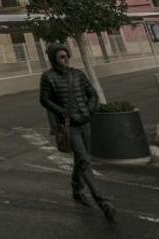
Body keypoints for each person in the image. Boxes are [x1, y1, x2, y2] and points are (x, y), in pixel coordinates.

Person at [40, 43, 116, 221]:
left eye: (66, 56)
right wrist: (61, 112)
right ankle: (103, 202)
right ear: (53, 59)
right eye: (61, 57)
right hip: (69, 126)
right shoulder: (48, 77)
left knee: (81, 160)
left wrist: (89, 109)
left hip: (85, 123)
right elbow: (44, 100)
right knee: (84, 160)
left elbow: (92, 94)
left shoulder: (78, 74)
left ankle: (76, 187)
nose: (65, 60)